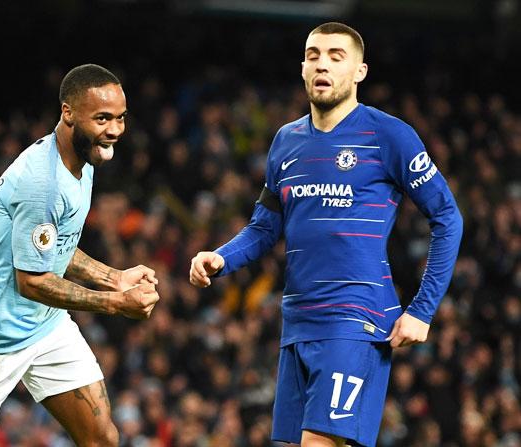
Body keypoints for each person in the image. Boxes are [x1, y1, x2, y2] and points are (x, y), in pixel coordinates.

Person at [189, 23, 462, 447]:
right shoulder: (286, 141)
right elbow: (265, 226)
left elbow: (447, 216)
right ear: (302, 67)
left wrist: (423, 311)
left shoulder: (389, 136)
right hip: (298, 321)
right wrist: (221, 258)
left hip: (356, 319)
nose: (323, 64)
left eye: (337, 56)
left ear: (359, 71)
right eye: (314, 54)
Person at [0, 64, 160, 447]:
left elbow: (58, 247)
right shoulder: (43, 184)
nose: (115, 130)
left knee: (102, 438)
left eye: (120, 118)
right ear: (68, 113)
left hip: (45, 327)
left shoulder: (81, 160)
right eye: (102, 118)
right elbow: (32, 281)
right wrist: (116, 302)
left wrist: (113, 277)